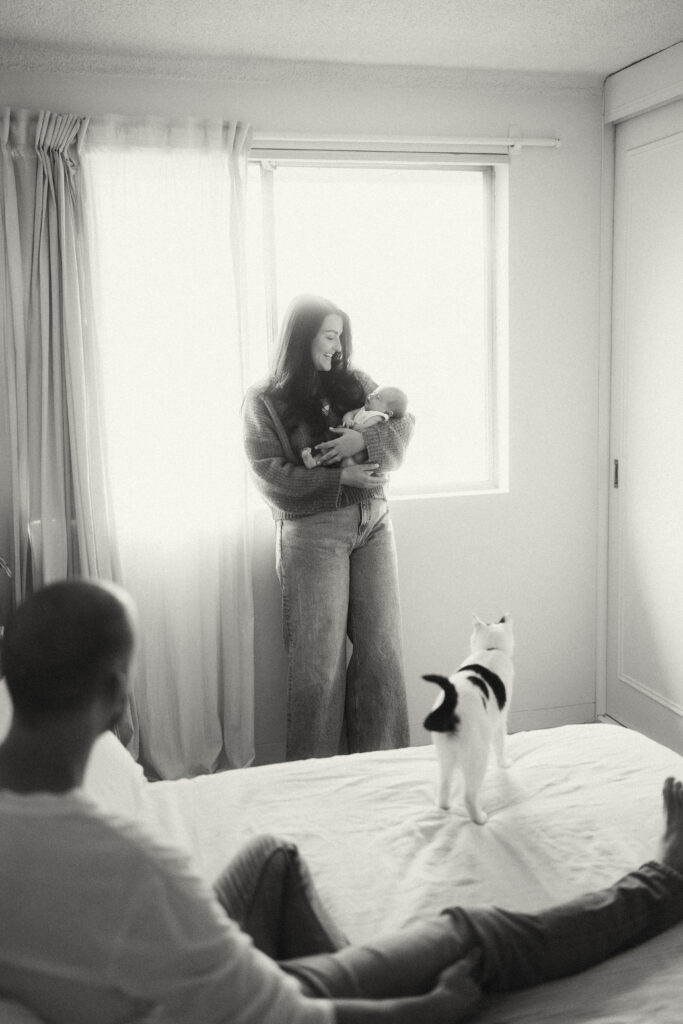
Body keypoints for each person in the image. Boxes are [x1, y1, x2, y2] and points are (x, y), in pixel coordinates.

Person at [2, 580, 683, 1024]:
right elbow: (284, 1017)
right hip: (202, 1007)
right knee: (465, 934)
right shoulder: (127, 868)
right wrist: (422, 1010)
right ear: (118, 691)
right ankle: (666, 882)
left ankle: (361, 970)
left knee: (269, 855)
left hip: (146, 973)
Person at [242, 295, 413, 760]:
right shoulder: (265, 400)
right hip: (313, 535)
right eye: (329, 336)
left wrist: (364, 439)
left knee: (382, 657)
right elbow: (269, 476)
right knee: (318, 668)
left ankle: (386, 769)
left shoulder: (356, 384)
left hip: (374, 525)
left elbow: (403, 429)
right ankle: (312, 781)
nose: (338, 348)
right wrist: (341, 477)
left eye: (342, 337)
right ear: (303, 337)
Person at [301, 386, 409, 469]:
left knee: (352, 459)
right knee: (328, 449)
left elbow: (369, 427)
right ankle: (313, 462)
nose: (371, 395)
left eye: (378, 397)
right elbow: (351, 413)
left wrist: (360, 434)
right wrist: (347, 419)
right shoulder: (364, 409)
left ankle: (346, 466)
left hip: (357, 453)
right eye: (374, 393)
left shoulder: (379, 417)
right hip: (344, 438)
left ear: (388, 412)